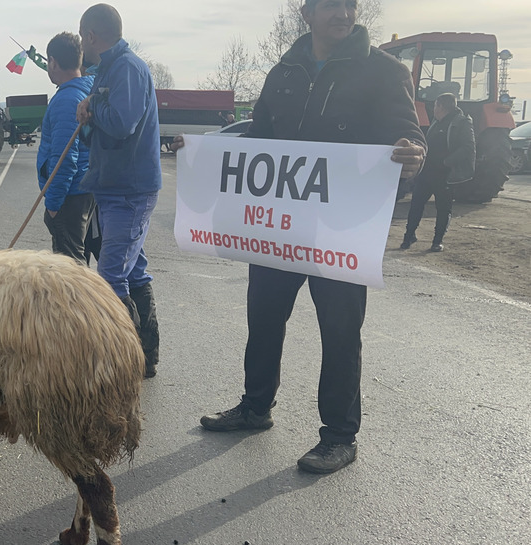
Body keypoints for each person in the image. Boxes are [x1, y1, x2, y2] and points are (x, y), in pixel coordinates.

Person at [174, 0, 426, 474]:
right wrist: (203, 154)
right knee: (264, 317)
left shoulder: (383, 71)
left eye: (349, 5)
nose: (343, 13)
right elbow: (259, 140)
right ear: (307, 13)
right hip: (278, 226)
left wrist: (413, 154)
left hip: (341, 230)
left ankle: (339, 436)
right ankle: (255, 407)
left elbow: (406, 134)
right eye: (331, 5)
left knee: (340, 331)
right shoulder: (285, 70)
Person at [76, 4, 161, 378]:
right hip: (113, 186)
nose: (81, 44)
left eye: (82, 38)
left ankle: (122, 362)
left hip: (129, 189)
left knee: (111, 277)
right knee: (135, 270)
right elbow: (100, 124)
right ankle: (146, 353)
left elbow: (123, 123)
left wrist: (92, 108)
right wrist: (88, 117)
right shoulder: (108, 68)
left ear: (91, 36)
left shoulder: (127, 67)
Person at [37, 32, 96, 264]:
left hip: (70, 196)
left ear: (52, 61)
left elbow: (64, 158)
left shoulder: (66, 100)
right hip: (87, 191)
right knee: (81, 261)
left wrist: (53, 204)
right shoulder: (87, 91)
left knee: (71, 271)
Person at [401, 93, 475, 252]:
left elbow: (468, 148)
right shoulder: (436, 122)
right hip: (427, 173)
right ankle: (408, 237)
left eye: (435, 105)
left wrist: (446, 162)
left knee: (443, 208)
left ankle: (437, 241)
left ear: (441, 106)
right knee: (416, 205)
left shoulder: (462, 123)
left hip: (445, 175)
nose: (433, 109)